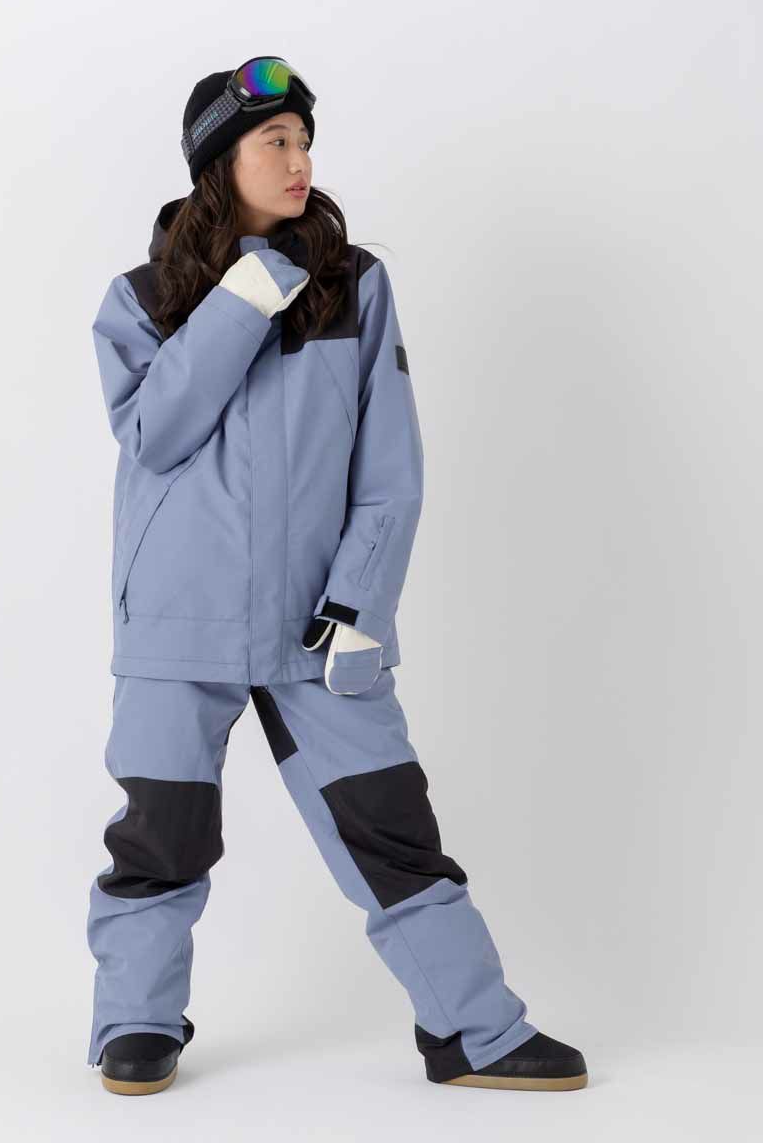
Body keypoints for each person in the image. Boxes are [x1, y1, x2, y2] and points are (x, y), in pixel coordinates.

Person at [85, 56, 587, 1095]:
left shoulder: (354, 285)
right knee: (158, 839)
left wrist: (359, 602)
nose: (299, 160)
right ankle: (135, 1023)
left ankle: (473, 1032)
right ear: (219, 162)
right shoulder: (140, 299)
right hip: (177, 624)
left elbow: (390, 468)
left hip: (318, 627)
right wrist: (239, 299)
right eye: (275, 141)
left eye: (306, 140)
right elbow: (154, 434)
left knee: (393, 830)